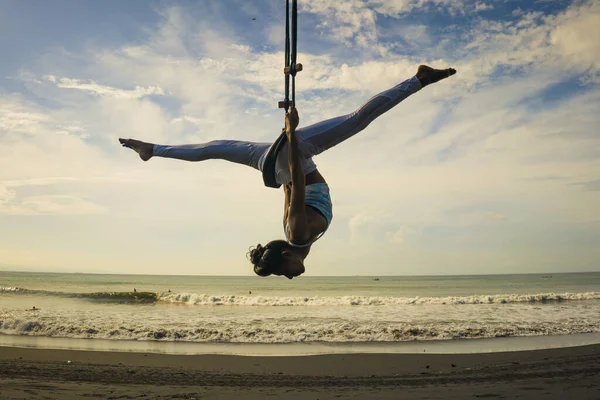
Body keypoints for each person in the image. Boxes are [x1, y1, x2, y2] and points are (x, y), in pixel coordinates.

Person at [120, 65, 456, 279]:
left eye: (284, 272)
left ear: (285, 255)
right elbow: (285, 188)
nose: (291, 277)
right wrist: (282, 144)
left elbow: (294, 180)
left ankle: (418, 80)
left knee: (358, 120)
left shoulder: (298, 234)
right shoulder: (293, 234)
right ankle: (154, 149)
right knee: (215, 148)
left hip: (292, 159)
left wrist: (292, 134)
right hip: (272, 163)